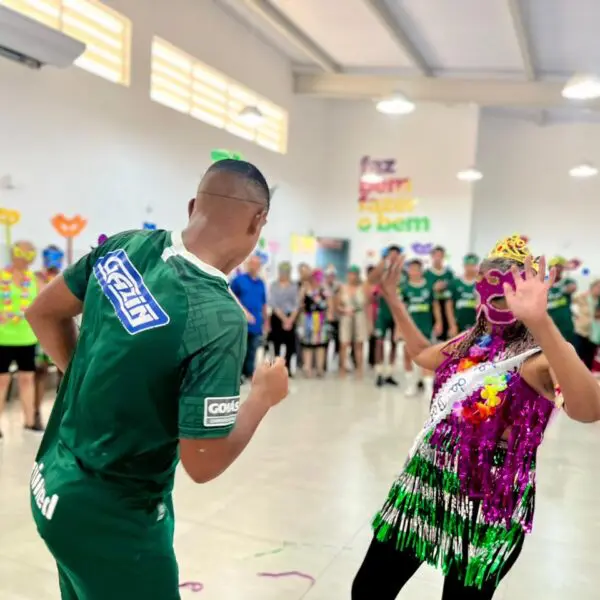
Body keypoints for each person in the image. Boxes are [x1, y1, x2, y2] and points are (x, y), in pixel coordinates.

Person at [25, 158, 289, 600]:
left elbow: (42, 312)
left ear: (192, 206)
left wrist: (95, 384)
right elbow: (203, 462)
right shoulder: (216, 315)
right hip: (115, 523)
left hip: (52, 484)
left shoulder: (126, 244)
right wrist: (261, 397)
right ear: (259, 220)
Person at [352, 234, 600, 600]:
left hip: (489, 501)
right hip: (426, 484)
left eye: (508, 292)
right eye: (487, 289)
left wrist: (542, 323)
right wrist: (393, 300)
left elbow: (589, 409)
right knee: (370, 588)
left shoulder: (541, 356)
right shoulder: (473, 341)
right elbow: (422, 353)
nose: (494, 301)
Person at [0, 241, 41, 435]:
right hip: (3, 338)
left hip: (27, 337)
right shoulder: (1, 277)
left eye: (28, 255)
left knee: (27, 378)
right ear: (13, 254)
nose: (23, 259)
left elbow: (42, 305)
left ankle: (30, 421)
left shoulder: (34, 280)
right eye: (20, 254)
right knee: (2, 380)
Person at [34, 244, 65, 430]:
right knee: (40, 372)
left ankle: (62, 414)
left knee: (65, 373)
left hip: (63, 328)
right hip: (42, 331)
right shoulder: (37, 278)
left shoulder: (65, 276)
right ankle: (36, 412)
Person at [370, 245, 404, 387]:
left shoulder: (403, 274)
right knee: (379, 343)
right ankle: (378, 373)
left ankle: (390, 373)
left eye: (396, 254)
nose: (394, 256)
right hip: (383, 313)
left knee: (395, 343)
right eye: (391, 254)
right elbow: (373, 291)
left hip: (396, 314)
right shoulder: (381, 273)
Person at [401, 259, 435, 397]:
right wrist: (399, 329)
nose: (414, 272)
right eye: (411, 269)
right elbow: (400, 310)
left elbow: (436, 306)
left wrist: (437, 322)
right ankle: (411, 385)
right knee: (408, 355)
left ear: (421, 271)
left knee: (426, 356)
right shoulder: (404, 288)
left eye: (416, 269)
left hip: (425, 326)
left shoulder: (428, 286)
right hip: (409, 328)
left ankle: (428, 387)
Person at [231, 254, 268, 382]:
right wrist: (244, 313)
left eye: (257, 264)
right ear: (247, 265)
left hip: (256, 323)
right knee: (241, 349)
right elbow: (231, 298)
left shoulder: (261, 283)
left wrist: (266, 321)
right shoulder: (239, 280)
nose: (254, 266)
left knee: (252, 350)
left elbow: (264, 303)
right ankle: (238, 374)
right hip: (241, 321)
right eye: (252, 263)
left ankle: (249, 373)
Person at [268, 261, 299, 376]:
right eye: (282, 271)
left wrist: (290, 319)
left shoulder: (294, 286)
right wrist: (284, 319)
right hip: (277, 318)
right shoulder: (274, 285)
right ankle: (275, 368)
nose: (284, 274)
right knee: (276, 344)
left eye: (286, 272)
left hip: (291, 317)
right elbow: (273, 303)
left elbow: (296, 304)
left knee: (290, 345)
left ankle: (287, 368)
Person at [337, 265, 368, 378]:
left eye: (354, 274)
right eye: (350, 274)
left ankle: (359, 368)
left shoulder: (362, 288)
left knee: (359, 344)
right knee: (344, 343)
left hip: (359, 315)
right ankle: (342, 367)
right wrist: (344, 310)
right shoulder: (343, 288)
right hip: (346, 316)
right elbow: (338, 305)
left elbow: (367, 304)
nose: (352, 277)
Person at [299, 269, 331, 377]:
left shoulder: (324, 289)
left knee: (320, 344)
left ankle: (319, 368)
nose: (317, 281)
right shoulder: (305, 288)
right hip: (308, 318)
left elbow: (329, 303)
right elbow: (300, 303)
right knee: (307, 345)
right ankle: (307, 367)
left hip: (320, 319)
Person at [425, 245, 455, 341]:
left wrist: (445, 286)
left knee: (446, 339)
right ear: (432, 257)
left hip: (446, 308)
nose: (438, 258)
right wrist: (433, 288)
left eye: (440, 255)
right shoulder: (426, 273)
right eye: (436, 255)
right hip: (431, 309)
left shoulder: (449, 273)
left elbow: (453, 291)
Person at [547, 256, 577, 343]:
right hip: (550, 324)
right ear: (549, 270)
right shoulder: (545, 285)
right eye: (554, 267)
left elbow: (573, 288)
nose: (557, 269)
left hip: (565, 324)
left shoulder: (568, 281)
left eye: (559, 267)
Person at [449, 253, 479, 334]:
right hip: (458, 325)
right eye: (468, 265)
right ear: (464, 265)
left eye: (472, 265)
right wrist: (452, 325)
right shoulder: (455, 282)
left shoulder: (481, 283)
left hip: (475, 325)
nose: (470, 268)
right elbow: (449, 306)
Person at [573, 279, 600, 369]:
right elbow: (570, 300)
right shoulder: (583, 297)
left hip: (594, 334)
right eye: (598, 287)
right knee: (578, 355)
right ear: (592, 288)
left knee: (590, 357)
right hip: (581, 331)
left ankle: (587, 378)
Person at [324, 265, 341, 369]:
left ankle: (338, 360)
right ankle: (323, 363)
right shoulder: (322, 287)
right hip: (326, 319)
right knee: (326, 341)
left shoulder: (339, 286)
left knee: (338, 341)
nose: (331, 277)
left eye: (332, 276)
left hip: (337, 318)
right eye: (329, 276)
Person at [365, 265, 379, 369]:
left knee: (374, 337)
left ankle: (373, 359)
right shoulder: (364, 285)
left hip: (376, 313)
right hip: (365, 312)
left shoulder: (379, 285)